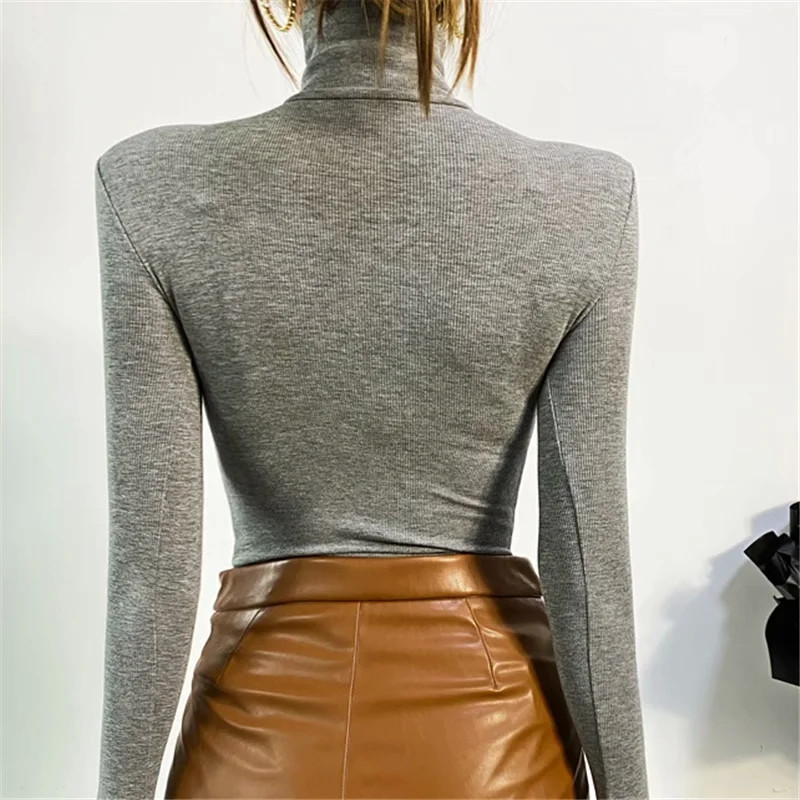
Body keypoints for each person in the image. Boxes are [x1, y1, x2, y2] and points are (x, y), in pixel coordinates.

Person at [93, 0, 648, 798]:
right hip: (493, 754)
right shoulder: (588, 199)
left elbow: (153, 571)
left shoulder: (150, 186)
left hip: (254, 753)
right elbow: (588, 568)